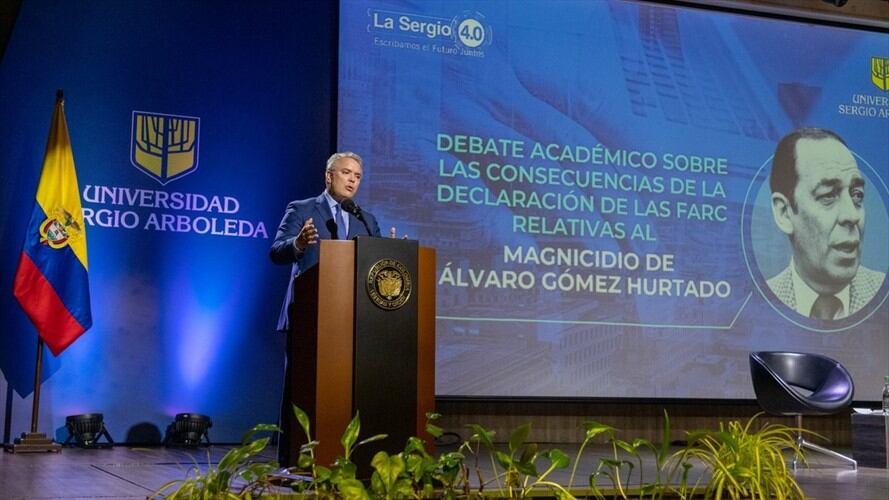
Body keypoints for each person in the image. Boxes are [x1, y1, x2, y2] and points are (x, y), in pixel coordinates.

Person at [269, 151, 382, 466]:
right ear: (329, 176)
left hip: (353, 321)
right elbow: (277, 252)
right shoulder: (303, 209)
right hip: (308, 315)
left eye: (357, 176)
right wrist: (299, 244)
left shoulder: (366, 220)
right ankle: (292, 458)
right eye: (346, 173)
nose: (352, 181)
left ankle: (342, 457)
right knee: (302, 390)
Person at [767, 128, 885, 320]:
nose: (852, 215)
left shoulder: (882, 292)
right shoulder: (761, 302)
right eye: (828, 195)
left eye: (857, 195)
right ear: (784, 213)